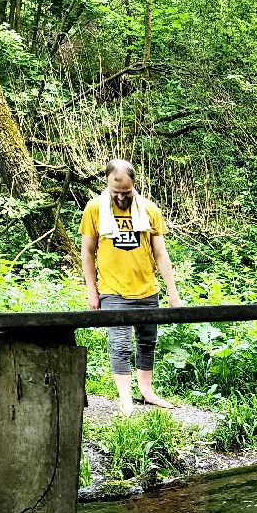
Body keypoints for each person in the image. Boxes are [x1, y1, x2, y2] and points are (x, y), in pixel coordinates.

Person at [80, 159, 183, 416]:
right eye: (116, 193)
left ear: (134, 184)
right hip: (113, 290)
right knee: (119, 343)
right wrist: (92, 292)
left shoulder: (149, 210)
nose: (122, 198)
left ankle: (146, 392)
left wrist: (173, 293)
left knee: (148, 341)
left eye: (126, 192)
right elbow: (87, 253)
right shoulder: (94, 209)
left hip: (147, 289)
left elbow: (161, 254)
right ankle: (125, 398)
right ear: (107, 183)